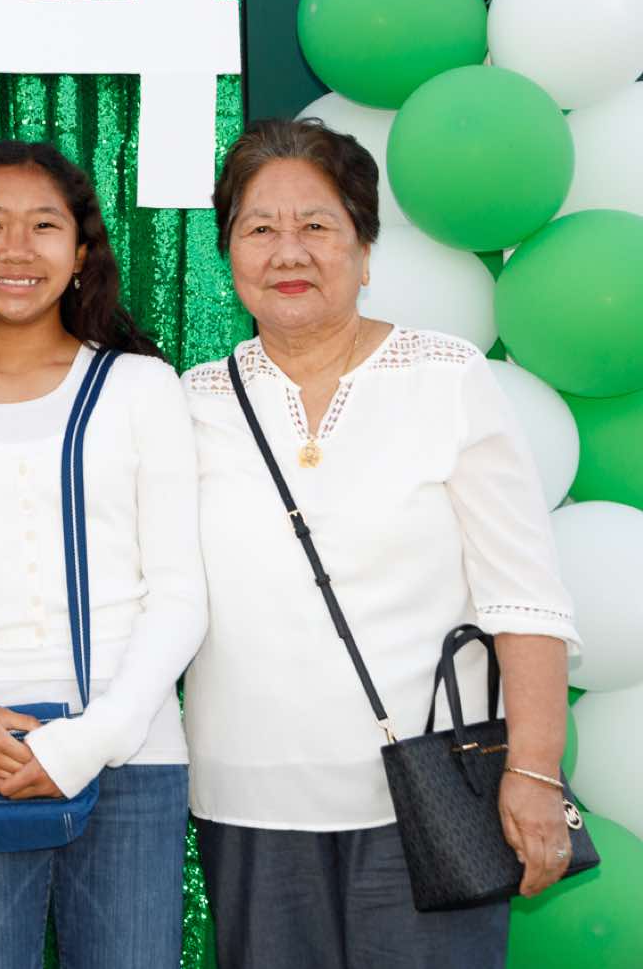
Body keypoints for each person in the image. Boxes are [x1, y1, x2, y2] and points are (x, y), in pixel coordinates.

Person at [183, 118, 578, 969]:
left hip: (431, 800)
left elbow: (523, 595)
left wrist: (535, 770)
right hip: (247, 802)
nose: (289, 251)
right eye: (260, 228)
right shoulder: (192, 400)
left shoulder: (446, 375)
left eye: (317, 225)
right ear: (230, 254)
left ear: (364, 249)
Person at [0, 140, 205, 969]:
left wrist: (91, 739)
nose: (17, 248)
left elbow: (180, 595)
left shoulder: (139, 386)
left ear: (82, 250)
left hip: (130, 754)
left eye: (45, 226)